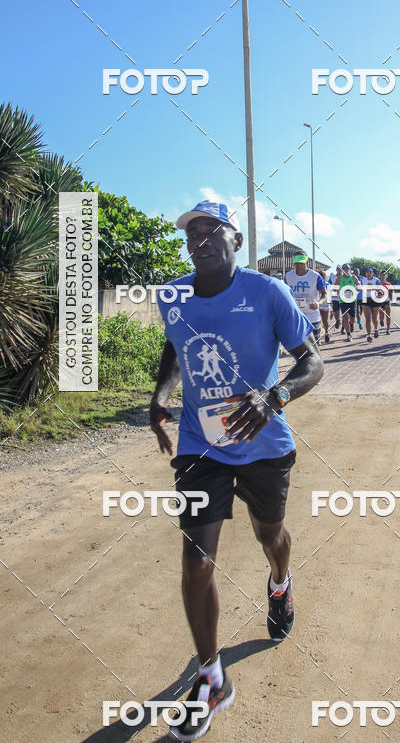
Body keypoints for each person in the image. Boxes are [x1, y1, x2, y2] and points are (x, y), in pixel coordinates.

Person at [150, 201, 323, 741]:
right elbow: (174, 350)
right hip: (202, 448)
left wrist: (275, 396)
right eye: (192, 233)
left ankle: (280, 583)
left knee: (270, 534)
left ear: (236, 239)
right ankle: (210, 677)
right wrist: (160, 398)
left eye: (210, 231)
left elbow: (312, 361)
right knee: (196, 560)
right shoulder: (174, 295)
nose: (199, 240)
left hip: (264, 445)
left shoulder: (268, 293)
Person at [285, 252, 327, 344]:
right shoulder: (288, 276)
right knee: (299, 346)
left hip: (312, 316)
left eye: (301, 263)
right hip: (296, 316)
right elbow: (285, 294)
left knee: (315, 346)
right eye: (296, 263)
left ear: (307, 262)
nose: (299, 266)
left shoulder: (315, 276)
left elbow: (324, 294)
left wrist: (319, 303)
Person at [338, 263, 360, 342]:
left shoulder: (353, 277)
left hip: (352, 300)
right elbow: (334, 287)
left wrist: (356, 292)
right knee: (345, 317)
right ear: (342, 270)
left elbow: (359, 286)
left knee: (352, 318)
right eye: (344, 269)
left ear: (349, 270)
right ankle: (348, 334)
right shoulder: (339, 279)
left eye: (347, 269)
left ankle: (351, 324)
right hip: (343, 301)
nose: (346, 270)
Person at [362, 267, 382, 343]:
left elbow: (380, 289)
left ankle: (376, 329)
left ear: (372, 273)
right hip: (366, 299)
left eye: (370, 272)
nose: (368, 274)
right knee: (368, 318)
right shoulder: (363, 280)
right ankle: (368, 335)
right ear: (365, 274)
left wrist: (372, 287)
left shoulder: (376, 280)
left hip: (375, 299)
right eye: (367, 272)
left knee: (374, 318)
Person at [318, 269, 331, 342]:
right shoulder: (315, 283)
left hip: (325, 304)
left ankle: (326, 333)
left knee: (324, 321)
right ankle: (320, 335)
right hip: (319, 304)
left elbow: (329, 295)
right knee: (320, 321)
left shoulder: (327, 285)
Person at [378, 270, 392, 334]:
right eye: (382, 275)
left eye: (384, 275)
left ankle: (388, 329)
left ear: (386, 276)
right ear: (380, 276)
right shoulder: (378, 283)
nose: (383, 276)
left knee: (388, 315)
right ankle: (381, 320)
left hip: (387, 300)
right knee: (381, 315)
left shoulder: (388, 284)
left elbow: (392, 292)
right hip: (379, 301)